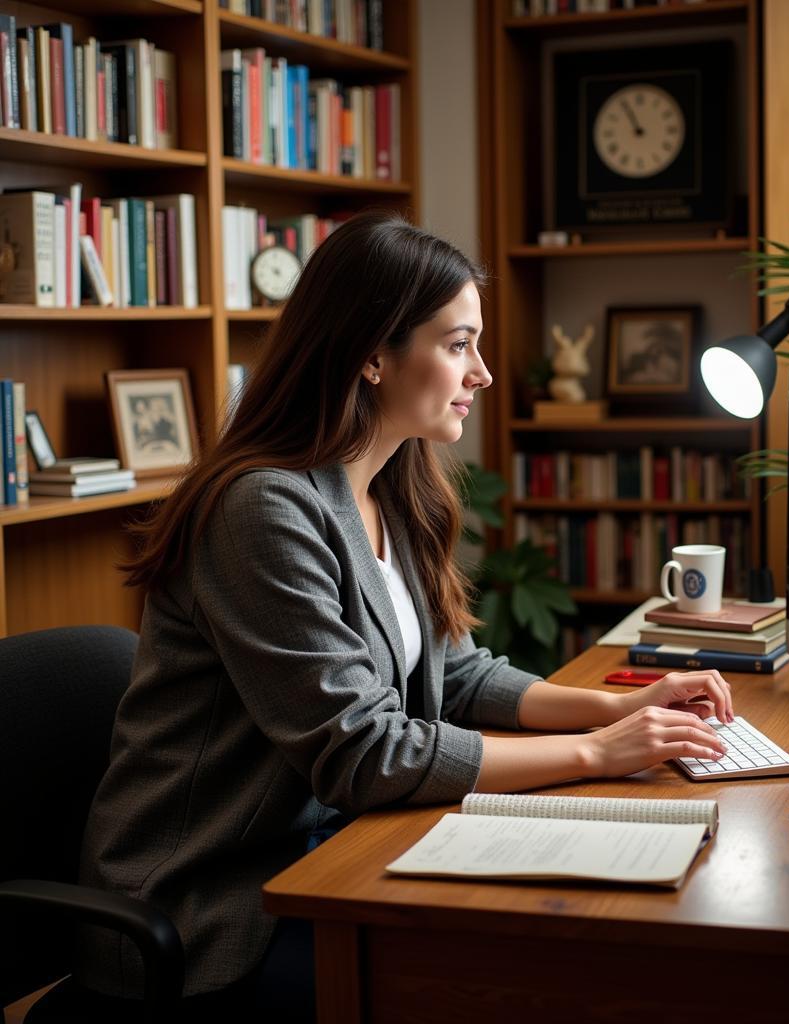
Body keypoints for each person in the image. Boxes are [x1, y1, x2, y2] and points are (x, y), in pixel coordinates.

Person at [74, 212, 734, 1021]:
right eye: (459, 345)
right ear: (373, 355)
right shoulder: (262, 512)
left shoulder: (391, 487)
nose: (483, 374)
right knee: (504, 984)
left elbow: (455, 675)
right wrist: (597, 752)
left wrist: (620, 704)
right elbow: (362, 754)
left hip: (336, 847)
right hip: (217, 903)